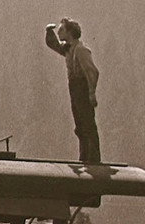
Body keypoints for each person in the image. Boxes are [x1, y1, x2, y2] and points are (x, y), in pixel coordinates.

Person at [45, 18, 101, 163]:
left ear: (70, 32)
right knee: (80, 125)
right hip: (74, 87)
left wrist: (91, 92)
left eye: (62, 30)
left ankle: (93, 158)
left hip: (81, 87)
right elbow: (55, 45)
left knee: (87, 123)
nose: (59, 32)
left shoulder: (80, 50)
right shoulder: (69, 48)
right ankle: (85, 157)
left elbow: (92, 72)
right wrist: (49, 32)